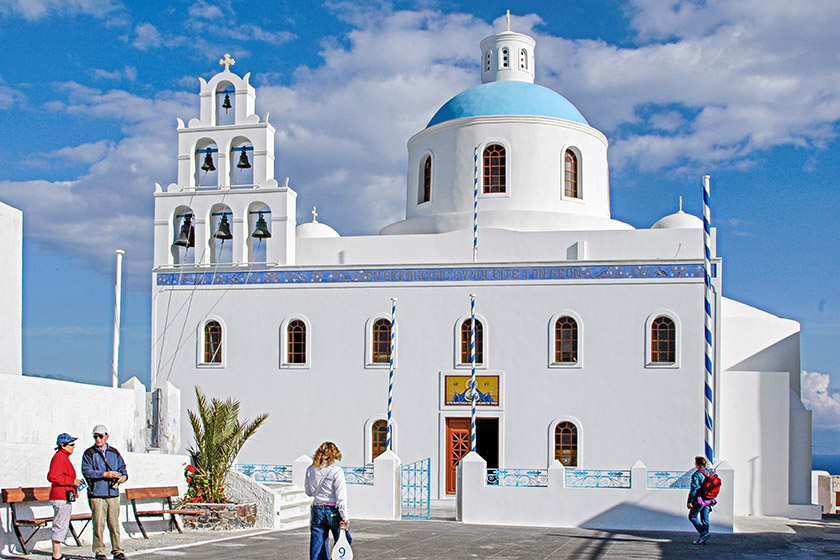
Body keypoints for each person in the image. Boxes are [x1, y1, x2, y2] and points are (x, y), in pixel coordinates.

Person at [81, 425, 128, 560]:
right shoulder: (89, 453)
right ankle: (99, 551)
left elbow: (122, 468)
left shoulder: (114, 452)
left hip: (112, 493)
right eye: (95, 436)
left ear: (107, 436)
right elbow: (87, 472)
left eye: (100, 436)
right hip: (97, 494)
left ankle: (117, 550)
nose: (98, 439)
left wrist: (123, 477)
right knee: (98, 524)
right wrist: (104, 474)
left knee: (114, 524)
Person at [305, 441, 351, 560]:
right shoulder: (336, 471)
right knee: (344, 540)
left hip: (317, 508)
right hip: (333, 510)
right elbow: (341, 496)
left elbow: (309, 492)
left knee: (317, 544)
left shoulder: (311, 469)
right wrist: (345, 516)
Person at [47, 433, 83, 560]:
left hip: (64, 496)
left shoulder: (63, 457)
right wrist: (71, 481)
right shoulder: (59, 457)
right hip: (60, 496)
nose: (73, 447)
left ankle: (58, 554)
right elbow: (52, 476)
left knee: (62, 523)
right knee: (60, 523)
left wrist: (73, 482)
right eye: (71, 445)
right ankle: (56, 555)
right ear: (63, 445)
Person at [687, 455, 713, 545]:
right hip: (709, 499)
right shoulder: (710, 473)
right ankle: (704, 538)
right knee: (705, 519)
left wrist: (690, 501)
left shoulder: (697, 474)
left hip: (700, 499)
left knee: (692, 517)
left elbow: (694, 489)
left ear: (697, 464)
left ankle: (704, 533)